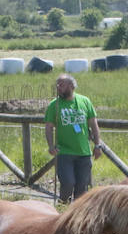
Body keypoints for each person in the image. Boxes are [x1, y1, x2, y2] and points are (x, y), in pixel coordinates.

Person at [44, 74, 106, 202]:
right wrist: (51, 146)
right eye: (57, 84)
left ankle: (77, 217)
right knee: (67, 183)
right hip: (64, 152)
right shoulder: (54, 105)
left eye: (61, 84)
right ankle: (63, 210)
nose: (58, 87)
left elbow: (94, 124)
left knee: (82, 189)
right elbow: (49, 127)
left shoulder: (85, 101)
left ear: (71, 86)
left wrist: (97, 145)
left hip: (83, 152)